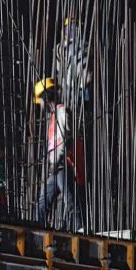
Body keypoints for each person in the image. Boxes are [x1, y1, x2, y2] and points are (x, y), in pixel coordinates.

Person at [35, 77, 85, 231]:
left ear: (45, 97)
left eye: (40, 100)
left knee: (69, 200)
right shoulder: (53, 118)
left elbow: (66, 138)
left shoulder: (62, 112)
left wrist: (57, 160)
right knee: (43, 202)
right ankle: (40, 228)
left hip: (64, 165)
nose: (40, 105)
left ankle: (79, 229)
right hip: (56, 168)